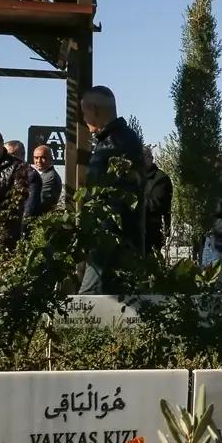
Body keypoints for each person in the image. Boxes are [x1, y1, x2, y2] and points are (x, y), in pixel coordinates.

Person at [80, 86, 147, 293]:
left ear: (93, 109)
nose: (84, 118)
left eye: (84, 113)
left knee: (89, 299)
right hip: (117, 232)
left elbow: (114, 193)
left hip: (110, 234)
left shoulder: (115, 143)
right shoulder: (121, 139)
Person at [142, 146, 173, 258]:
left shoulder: (160, 178)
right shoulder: (135, 176)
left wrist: (135, 204)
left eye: (145, 156)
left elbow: (158, 204)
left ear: (151, 158)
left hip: (151, 230)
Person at [5, 140, 43, 219]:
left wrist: (22, 224)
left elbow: (31, 204)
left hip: (20, 223)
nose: (7, 158)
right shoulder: (7, 172)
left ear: (22, 155)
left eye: (11, 154)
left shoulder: (30, 174)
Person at [32, 145, 64, 213]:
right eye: (36, 158)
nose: (39, 161)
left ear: (50, 159)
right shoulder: (41, 175)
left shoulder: (50, 177)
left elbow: (40, 201)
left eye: (43, 157)